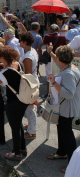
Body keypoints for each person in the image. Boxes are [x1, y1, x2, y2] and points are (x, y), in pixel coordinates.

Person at [0, 46, 28, 161]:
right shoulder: (17, 65)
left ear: (1, 57)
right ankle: (22, 148)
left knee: (14, 128)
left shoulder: (5, 72)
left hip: (12, 103)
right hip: (22, 100)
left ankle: (16, 153)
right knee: (18, 124)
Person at [45, 45, 80, 173]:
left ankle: (71, 163)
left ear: (60, 58)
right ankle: (62, 152)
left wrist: (54, 83)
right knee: (61, 128)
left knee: (67, 133)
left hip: (68, 107)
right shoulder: (69, 66)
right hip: (65, 107)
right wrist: (51, 53)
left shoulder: (69, 73)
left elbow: (69, 94)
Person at [19, 32, 39, 139]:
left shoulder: (28, 57)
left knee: (30, 108)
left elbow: (28, 74)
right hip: (34, 81)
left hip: (30, 84)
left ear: (25, 42)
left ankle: (32, 131)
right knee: (31, 108)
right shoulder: (32, 50)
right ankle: (31, 125)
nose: (19, 42)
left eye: (20, 40)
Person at [42, 24, 67, 97]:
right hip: (59, 60)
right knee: (58, 76)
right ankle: (58, 92)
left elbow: (43, 43)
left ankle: (49, 93)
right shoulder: (62, 37)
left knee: (49, 77)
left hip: (49, 59)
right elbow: (65, 46)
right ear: (58, 30)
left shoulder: (47, 36)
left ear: (51, 30)